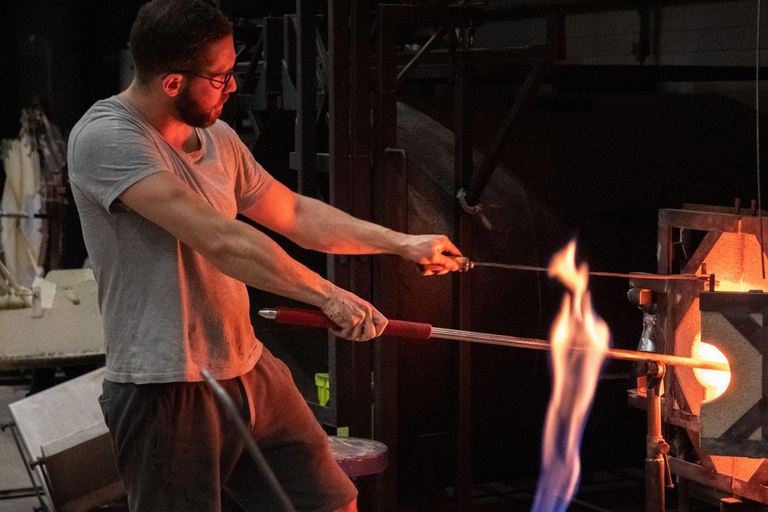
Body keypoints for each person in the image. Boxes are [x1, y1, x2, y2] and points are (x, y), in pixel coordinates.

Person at [67, 1, 462, 511]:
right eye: (221, 76)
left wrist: (401, 242)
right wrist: (327, 295)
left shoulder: (219, 138)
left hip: (249, 367)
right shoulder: (107, 139)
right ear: (171, 83)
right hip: (165, 386)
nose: (232, 87)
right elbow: (222, 240)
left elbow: (295, 213)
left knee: (331, 502)